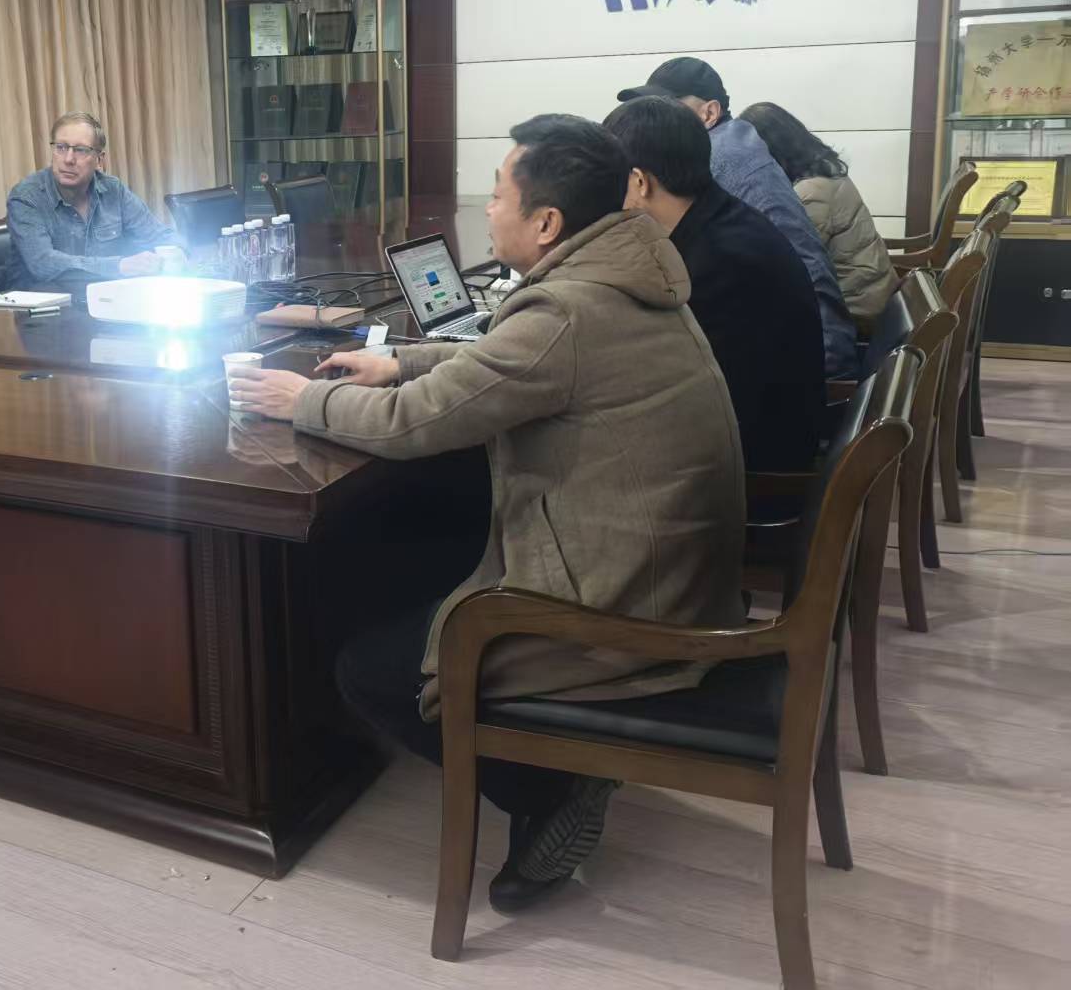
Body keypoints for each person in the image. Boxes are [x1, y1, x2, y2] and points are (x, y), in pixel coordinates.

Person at [229, 115, 745, 912]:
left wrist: (304, 399)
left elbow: (414, 422)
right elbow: (505, 357)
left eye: (499, 193)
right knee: (415, 535)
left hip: (619, 608)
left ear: (547, 222)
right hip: (664, 570)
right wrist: (399, 359)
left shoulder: (568, 311)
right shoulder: (620, 274)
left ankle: (551, 787)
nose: (489, 206)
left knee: (369, 670)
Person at [606, 97, 824, 473]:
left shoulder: (721, 261)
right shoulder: (721, 220)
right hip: (762, 441)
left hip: (756, 474)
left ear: (639, 182)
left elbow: (679, 398)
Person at [616, 57, 857, 377]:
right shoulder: (736, 144)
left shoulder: (719, 160)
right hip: (808, 347)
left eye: (668, 107)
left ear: (709, 113)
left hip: (820, 360)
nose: (654, 121)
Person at [741, 101, 897, 328]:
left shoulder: (810, 193)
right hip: (868, 290)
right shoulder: (823, 169)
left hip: (855, 307)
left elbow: (790, 265)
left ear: (769, 148)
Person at [5, 110, 181, 286]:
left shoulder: (113, 190)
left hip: (107, 296)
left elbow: (162, 236)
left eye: (81, 150)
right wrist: (119, 266)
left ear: (99, 160)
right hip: (45, 300)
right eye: (61, 147)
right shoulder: (26, 197)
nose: (68, 159)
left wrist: (177, 253)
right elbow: (43, 264)